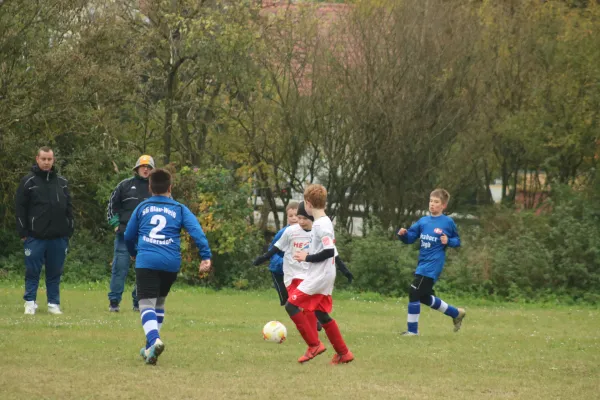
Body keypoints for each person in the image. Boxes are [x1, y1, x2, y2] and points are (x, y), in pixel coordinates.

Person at [124, 168, 212, 365]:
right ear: (170, 187)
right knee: (159, 303)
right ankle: (150, 348)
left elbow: (128, 235)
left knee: (145, 303)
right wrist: (205, 256)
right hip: (170, 262)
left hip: (147, 260)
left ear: (150, 187)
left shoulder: (142, 207)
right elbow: (196, 232)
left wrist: (133, 252)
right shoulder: (179, 209)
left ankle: (154, 340)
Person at [289, 184, 354, 365]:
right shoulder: (323, 222)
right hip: (324, 274)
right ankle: (343, 353)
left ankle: (314, 345)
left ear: (308, 204)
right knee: (321, 313)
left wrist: (306, 257)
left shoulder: (320, 225)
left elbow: (328, 251)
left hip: (319, 275)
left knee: (291, 305)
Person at [397, 188, 465, 336]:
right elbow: (410, 238)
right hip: (422, 263)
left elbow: (457, 241)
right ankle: (456, 313)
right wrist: (403, 234)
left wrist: (449, 241)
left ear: (443, 206)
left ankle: (412, 331)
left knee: (414, 291)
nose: (432, 204)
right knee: (424, 297)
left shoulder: (448, 222)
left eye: (436, 202)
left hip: (433, 265)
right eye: (431, 201)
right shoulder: (423, 221)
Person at [15, 146, 74, 315]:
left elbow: (69, 207)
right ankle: (30, 302)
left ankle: (53, 303)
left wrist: (69, 229)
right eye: (44, 159)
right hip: (35, 237)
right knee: (32, 271)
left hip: (58, 237)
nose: (47, 162)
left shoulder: (62, 182)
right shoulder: (28, 182)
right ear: (37, 159)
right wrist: (23, 232)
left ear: (53, 160)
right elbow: (20, 209)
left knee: (55, 271)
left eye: (49, 159)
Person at [106, 155, 154, 312]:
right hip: (124, 236)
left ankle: (138, 302)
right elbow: (111, 207)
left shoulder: (157, 189)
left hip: (147, 237)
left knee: (145, 271)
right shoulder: (124, 185)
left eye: (149, 167)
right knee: (120, 268)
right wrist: (115, 226)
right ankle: (114, 302)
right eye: (143, 166)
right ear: (137, 168)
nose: (146, 169)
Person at [264, 202, 299, 306]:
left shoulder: (305, 232)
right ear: (287, 217)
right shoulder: (283, 232)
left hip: (293, 271)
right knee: (286, 299)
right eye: (290, 216)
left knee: (297, 298)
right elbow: (271, 250)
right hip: (278, 270)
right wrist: (283, 262)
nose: (294, 218)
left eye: (296, 215)